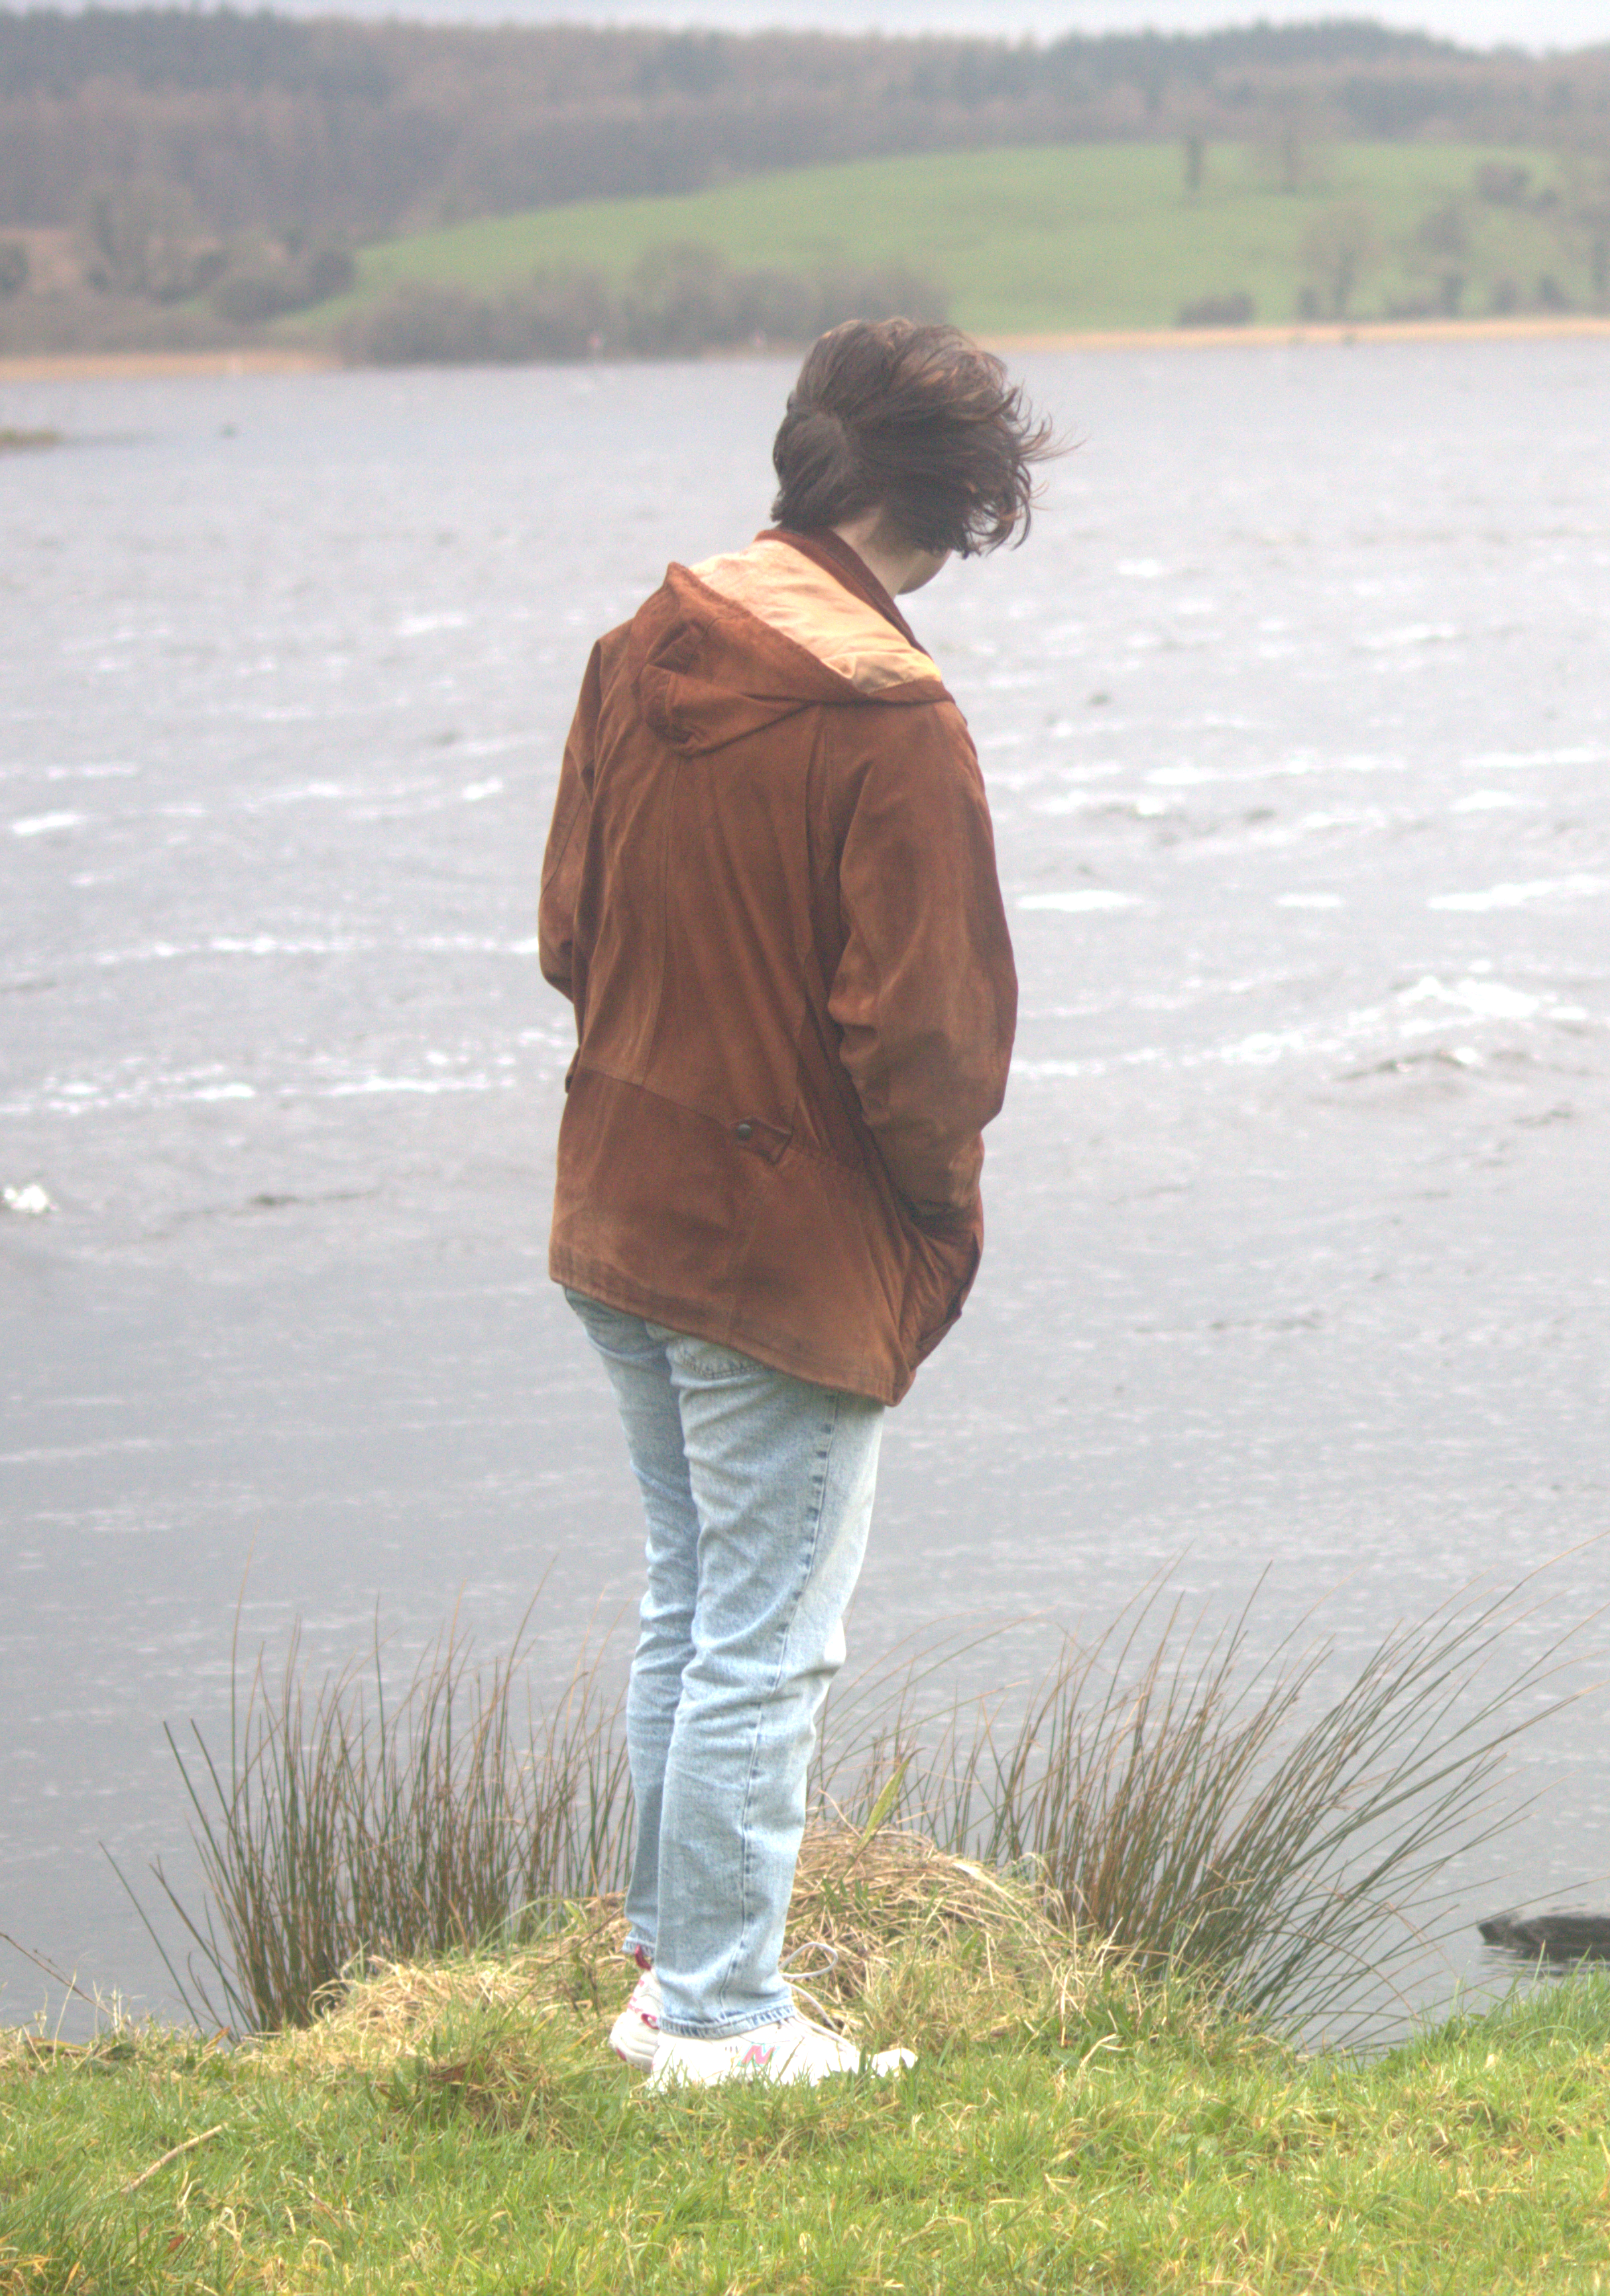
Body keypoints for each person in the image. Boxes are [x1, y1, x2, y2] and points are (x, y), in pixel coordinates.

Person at [537, 318, 1061, 2088]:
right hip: (782, 1249)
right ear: (960, 506)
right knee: (765, 1646)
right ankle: (721, 2022)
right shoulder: (891, 719)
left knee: (691, 1608)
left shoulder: (641, 645)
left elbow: (566, 937)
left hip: (619, 1200)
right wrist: (937, 1231)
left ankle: (667, 1980)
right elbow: (927, 1045)